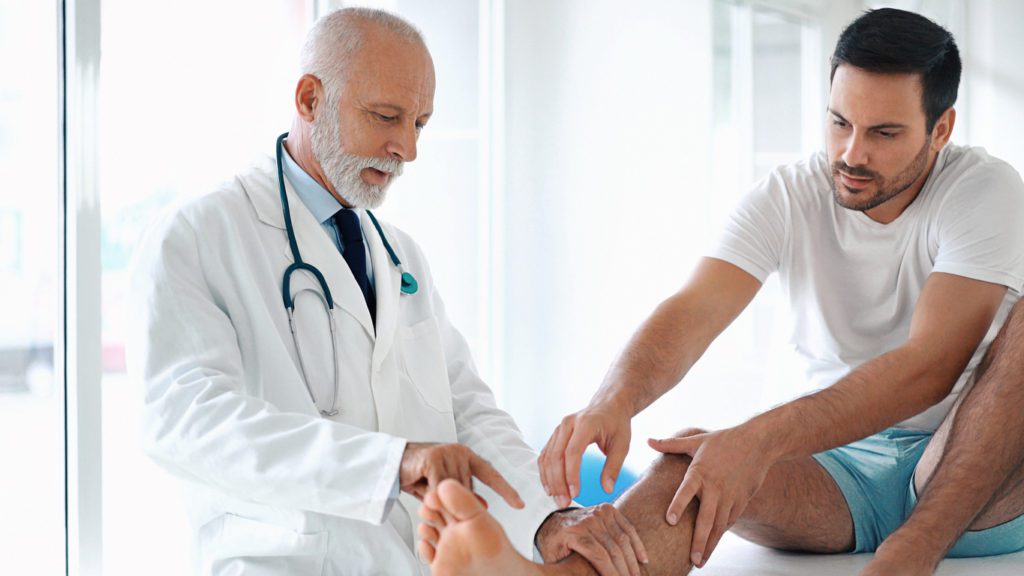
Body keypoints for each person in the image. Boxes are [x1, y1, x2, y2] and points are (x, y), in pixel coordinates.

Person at [416, 8, 1024, 576]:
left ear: (940, 129)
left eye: (885, 133)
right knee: (694, 466)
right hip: (836, 471)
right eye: (839, 122)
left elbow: (931, 366)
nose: (852, 152)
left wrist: (757, 438)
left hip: (967, 471)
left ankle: (917, 544)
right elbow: (694, 309)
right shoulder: (790, 193)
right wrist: (614, 400)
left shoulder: (983, 190)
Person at [128, 8, 647, 575]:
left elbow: (467, 407)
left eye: (420, 123)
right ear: (309, 99)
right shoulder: (200, 236)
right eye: (386, 116)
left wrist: (544, 519)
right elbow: (188, 423)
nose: (407, 148)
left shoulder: (400, 255)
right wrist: (392, 463)